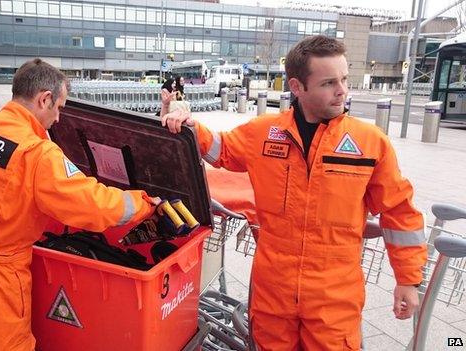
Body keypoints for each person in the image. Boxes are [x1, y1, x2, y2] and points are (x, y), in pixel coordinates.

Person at [162, 35, 426, 350]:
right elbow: (222, 149)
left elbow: (400, 213)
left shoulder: (369, 143)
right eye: (329, 82)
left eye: (344, 79)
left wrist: (408, 280)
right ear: (297, 87)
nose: (342, 90)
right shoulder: (263, 133)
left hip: (334, 299)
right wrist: (189, 125)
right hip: (273, 293)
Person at [0, 58, 159, 350]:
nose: (59, 119)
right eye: (59, 108)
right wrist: (142, 202)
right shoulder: (37, 153)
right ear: (44, 99)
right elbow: (92, 205)